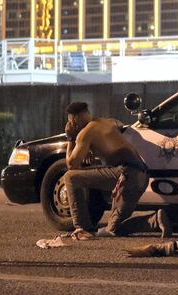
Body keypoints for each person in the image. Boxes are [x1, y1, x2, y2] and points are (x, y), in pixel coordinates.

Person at [62, 102, 167, 238]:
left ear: (74, 119)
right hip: (141, 176)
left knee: (70, 177)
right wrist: (89, 147)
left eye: (70, 121)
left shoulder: (85, 133)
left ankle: (82, 228)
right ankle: (155, 220)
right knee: (113, 228)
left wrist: (70, 138)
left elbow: (72, 165)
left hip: (126, 175)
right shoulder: (109, 122)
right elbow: (119, 126)